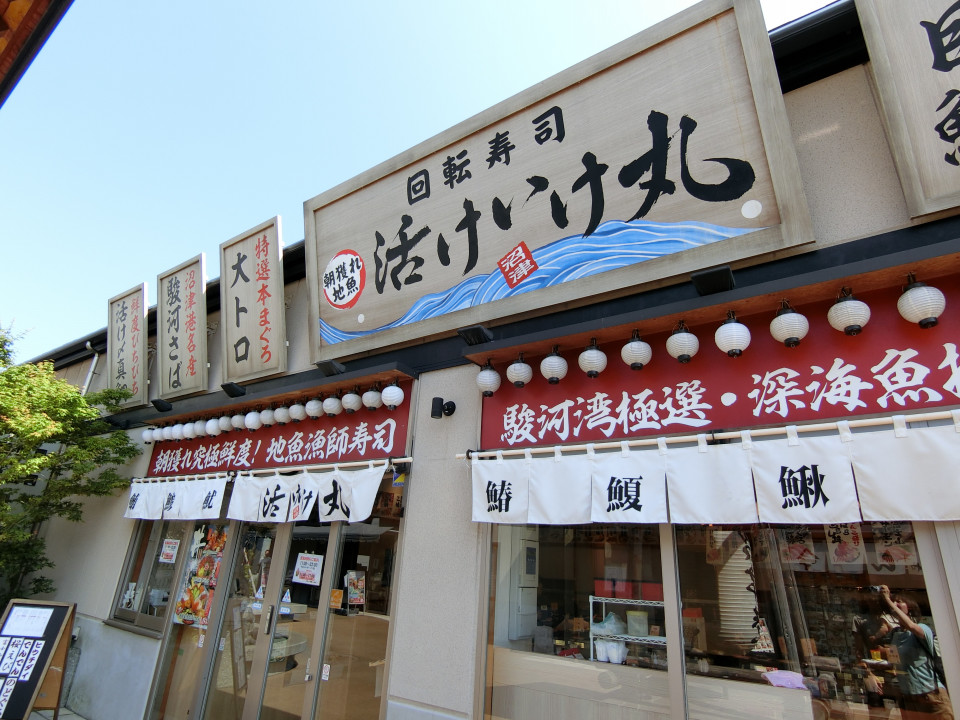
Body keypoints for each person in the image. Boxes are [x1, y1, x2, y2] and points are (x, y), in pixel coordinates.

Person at [880, 585, 954, 720]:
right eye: (894, 602)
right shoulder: (896, 635)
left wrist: (888, 600)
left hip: (931, 696)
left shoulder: (922, 628)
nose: (895, 604)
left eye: (899, 602)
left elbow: (911, 626)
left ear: (910, 608)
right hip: (909, 698)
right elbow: (894, 662)